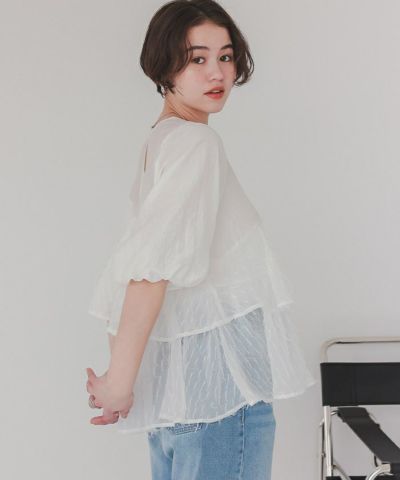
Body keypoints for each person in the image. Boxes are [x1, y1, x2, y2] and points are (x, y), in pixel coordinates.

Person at [85, 1, 316, 479]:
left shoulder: (162, 142)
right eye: (197, 58)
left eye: (226, 56)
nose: (217, 73)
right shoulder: (196, 144)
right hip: (221, 400)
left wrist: (122, 377)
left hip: (183, 402)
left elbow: (133, 272)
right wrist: (120, 383)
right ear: (164, 65)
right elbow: (149, 272)